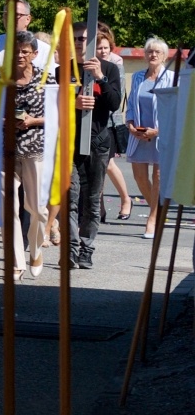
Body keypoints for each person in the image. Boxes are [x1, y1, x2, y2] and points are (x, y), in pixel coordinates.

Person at [68, 26, 122, 270]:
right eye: (77, 39)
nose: (81, 43)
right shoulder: (63, 69)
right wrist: (73, 102)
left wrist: (100, 76)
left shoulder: (109, 68)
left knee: (91, 198)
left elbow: (114, 103)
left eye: (85, 39)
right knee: (71, 197)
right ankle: (71, 247)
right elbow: (51, 104)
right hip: (70, 142)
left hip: (98, 141)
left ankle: (86, 248)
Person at [8, 32, 49, 279]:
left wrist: (34, 120)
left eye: (25, 51)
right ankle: (17, 260)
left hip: (36, 148)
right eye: (16, 51)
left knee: (37, 209)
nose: (20, 55)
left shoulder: (48, 79)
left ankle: (35, 250)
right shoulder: (1, 79)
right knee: (8, 207)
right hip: (7, 150)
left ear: (34, 54)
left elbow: (60, 112)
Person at [125, 37, 175, 239]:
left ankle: (152, 219)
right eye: (149, 52)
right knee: (139, 176)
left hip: (161, 135)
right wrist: (129, 124)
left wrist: (159, 130)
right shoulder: (137, 77)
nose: (152, 55)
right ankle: (157, 208)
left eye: (157, 52)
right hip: (138, 134)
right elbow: (130, 104)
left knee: (159, 178)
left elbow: (175, 110)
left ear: (164, 56)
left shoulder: (172, 78)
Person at [96, 23, 134, 222]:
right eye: (99, 48)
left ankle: (126, 199)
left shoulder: (115, 63)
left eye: (105, 48)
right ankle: (99, 209)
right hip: (94, 120)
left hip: (110, 121)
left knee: (108, 163)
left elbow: (115, 96)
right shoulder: (90, 63)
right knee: (98, 166)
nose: (102, 51)